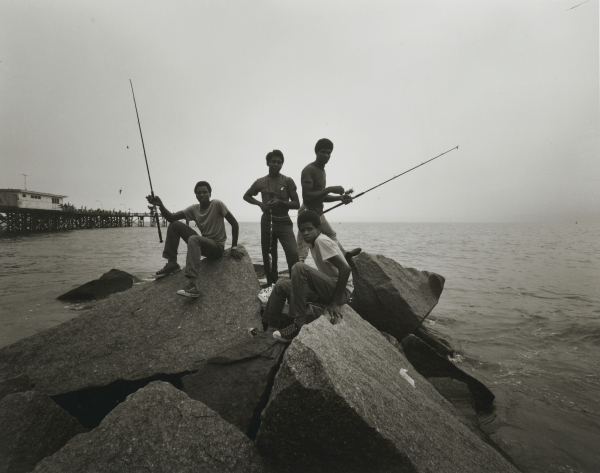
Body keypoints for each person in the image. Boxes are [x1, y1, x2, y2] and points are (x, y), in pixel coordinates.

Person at [249, 210, 353, 343]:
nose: (305, 233)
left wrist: (335, 303)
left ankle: (298, 324)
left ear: (319, 229)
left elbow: (345, 269)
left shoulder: (322, 241)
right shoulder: (313, 243)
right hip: (328, 288)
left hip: (341, 291)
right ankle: (270, 330)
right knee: (281, 285)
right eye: (302, 230)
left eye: (309, 229)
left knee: (299, 267)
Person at [146, 181, 243, 298]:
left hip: (217, 247)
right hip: (203, 244)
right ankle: (172, 264)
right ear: (195, 195)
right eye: (199, 193)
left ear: (210, 194)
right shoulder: (194, 209)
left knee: (193, 239)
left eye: (204, 192)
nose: (202, 195)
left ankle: (194, 285)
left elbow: (234, 223)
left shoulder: (217, 204)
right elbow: (171, 218)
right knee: (174, 224)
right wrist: (160, 205)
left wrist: (234, 247)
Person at [296, 138, 361, 263]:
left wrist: (340, 198)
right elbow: (307, 196)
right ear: (316, 152)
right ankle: (298, 274)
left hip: (317, 213)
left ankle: (344, 255)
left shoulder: (322, 171)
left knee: (332, 235)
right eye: (323, 152)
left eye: (329, 152)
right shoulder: (309, 169)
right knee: (302, 252)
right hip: (307, 212)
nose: (326, 155)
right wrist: (330, 188)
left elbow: (320, 196)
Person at [243, 150, 300, 285]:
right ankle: (271, 285)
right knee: (269, 255)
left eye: (279, 162)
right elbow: (246, 196)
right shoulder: (260, 182)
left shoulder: (288, 181)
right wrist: (260, 204)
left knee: (293, 253)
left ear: (282, 165)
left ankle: (296, 284)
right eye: (273, 161)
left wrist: (280, 202)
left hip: (283, 221)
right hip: (267, 221)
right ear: (268, 163)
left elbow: (297, 204)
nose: (276, 164)